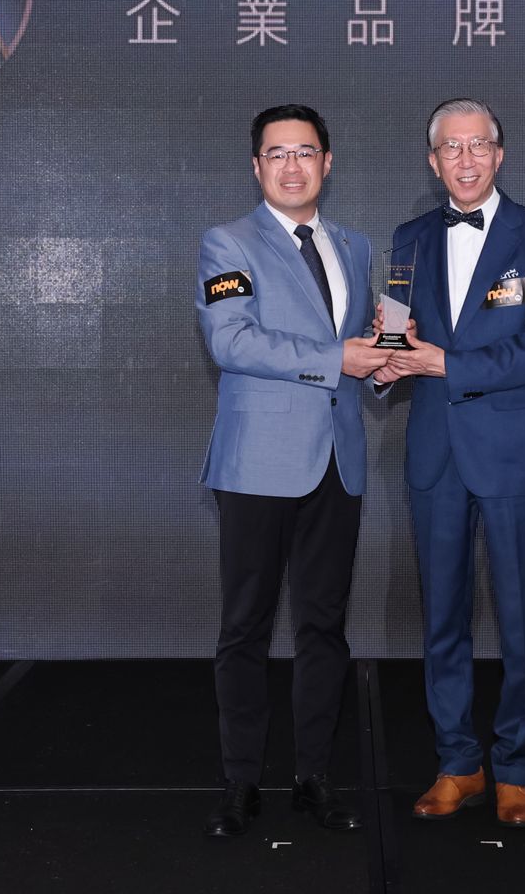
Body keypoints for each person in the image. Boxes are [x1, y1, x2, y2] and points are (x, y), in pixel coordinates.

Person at [374, 97, 525, 829]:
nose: (465, 159)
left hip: (514, 455)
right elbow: (397, 331)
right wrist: (383, 366)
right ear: (433, 162)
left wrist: (446, 365)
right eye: (451, 148)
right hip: (435, 453)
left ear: (499, 154)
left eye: (478, 145)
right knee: (442, 618)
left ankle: (516, 766)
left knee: (522, 619)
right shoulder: (409, 238)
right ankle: (458, 761)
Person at [195, 104, 386, 839]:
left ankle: (314, 778)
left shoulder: (355, 246)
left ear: (327, 163)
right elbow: (232, 341)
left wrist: (384, 364)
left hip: (338, 461)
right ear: (256, 167)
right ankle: (240, 782)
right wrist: (340, 358)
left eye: (305, 152)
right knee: (244, 628)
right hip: (256, 463)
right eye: (276, 154)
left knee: (324, 629)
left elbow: (358, 347)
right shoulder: (228, 242)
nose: (292, 166)